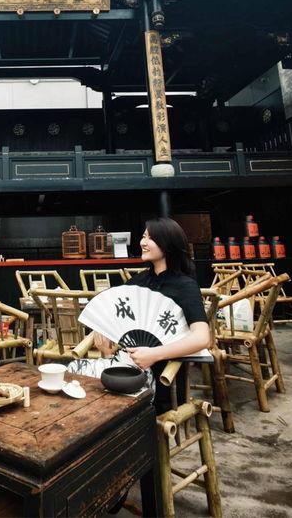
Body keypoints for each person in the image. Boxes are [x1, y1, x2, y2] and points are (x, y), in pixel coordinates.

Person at [96, 217, 210, 516]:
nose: (142, 242)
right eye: (143, 236)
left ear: (167, 244)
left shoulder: (184, 286)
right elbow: (112, 315)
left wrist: (155, 354)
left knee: (128, 422)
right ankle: (111, 480)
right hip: (128, 374)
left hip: (163, 383)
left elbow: (202, 337)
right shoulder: (138, 282)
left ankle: (143, 497)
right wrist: (104, 338)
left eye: (150, 237)